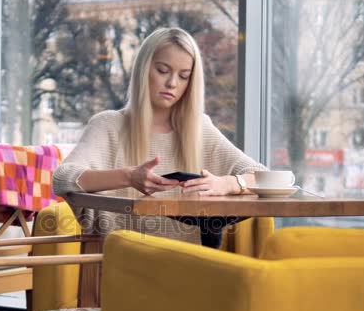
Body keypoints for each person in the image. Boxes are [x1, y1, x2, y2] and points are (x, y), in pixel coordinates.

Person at [53, 27, 267, 248]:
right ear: (144, 69)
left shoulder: (200, 128)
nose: (173, 83)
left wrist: (228, 183)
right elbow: (63, 178)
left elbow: (264, 177)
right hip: (124, 265)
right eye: (163, 70)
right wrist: (128, 177)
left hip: (187, 265)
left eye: (184, 76)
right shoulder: (108, 125)